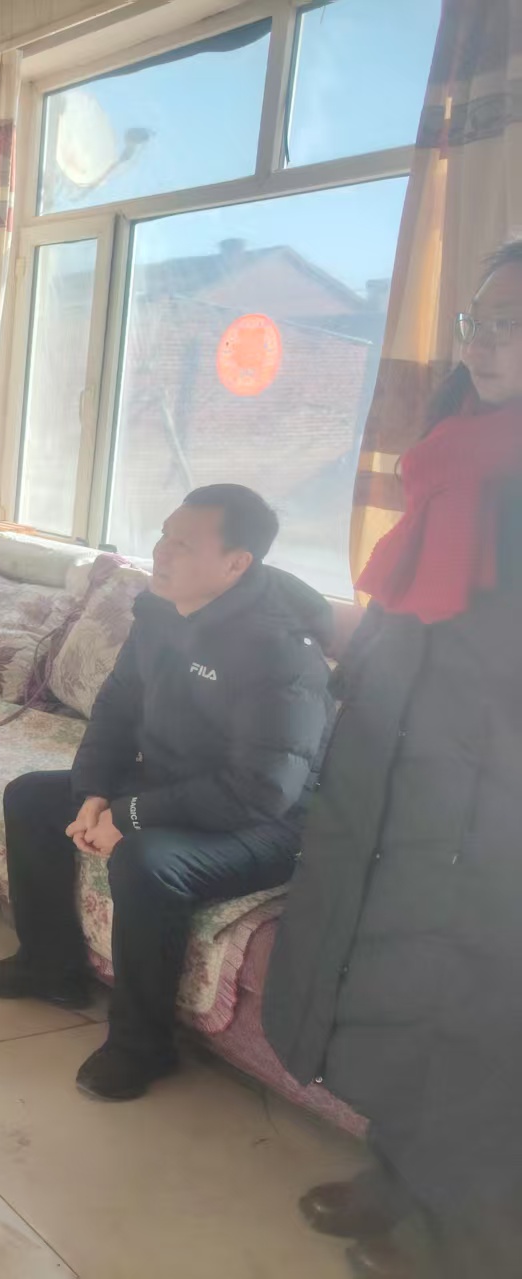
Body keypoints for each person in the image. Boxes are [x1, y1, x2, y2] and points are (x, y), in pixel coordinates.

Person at [264, 242, 522, 1279]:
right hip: (410, 771)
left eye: (512, 322)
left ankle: (461, 1239)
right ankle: (395, 1174)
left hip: (493, 797)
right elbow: (406, 613)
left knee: (474, 1010)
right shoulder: (455, 449)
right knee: (403, 978)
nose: (485, 341)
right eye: (476, 320)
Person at [0, 485, 331, 1101]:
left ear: (236, 564)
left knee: (147, 861)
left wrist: (129, 815)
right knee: (32, 798)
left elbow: (262, 788)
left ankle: (142, 1045)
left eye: (183, 544)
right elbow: (117, 707)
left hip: (269, 822)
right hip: (177, 783)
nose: (162, 551)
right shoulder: (161, 611)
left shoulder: (279, 650)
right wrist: (94, 793)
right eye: (164, 534)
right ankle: (48, 965)